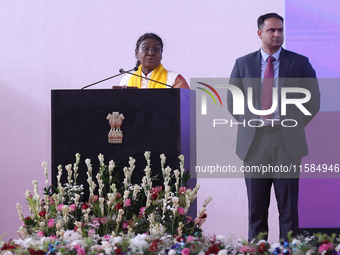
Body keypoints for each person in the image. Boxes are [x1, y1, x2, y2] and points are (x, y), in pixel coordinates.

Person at [227, 13, 320, 240]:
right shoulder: (243, 64)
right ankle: (257, 249)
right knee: (256, 209)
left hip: (286, 142)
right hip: (254, 143)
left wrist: (291, 125)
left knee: (288, 209)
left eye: (280, 30)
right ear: (260, 33)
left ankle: (288, 249)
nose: (277, 34)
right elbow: (233, 101)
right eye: (271, 30)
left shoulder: (299, 63)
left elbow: (313, 101)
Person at [120, 33, 189, 89]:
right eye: (146, 49)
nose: (151, 53)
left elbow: (185, 105)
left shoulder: (175, 80)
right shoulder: (126, 80)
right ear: (137, 53)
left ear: (161, 53)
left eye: (155, 49)